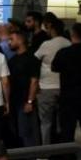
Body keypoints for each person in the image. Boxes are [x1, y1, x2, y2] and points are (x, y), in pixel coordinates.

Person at [52, 23, 81, 160]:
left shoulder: (64, 52)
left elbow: (54, 67)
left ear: (72, 34)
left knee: (67, 129)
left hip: (69, 94)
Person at [6, 29, 40, 160]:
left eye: (11, 39)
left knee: (27, 134)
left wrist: (30, 101)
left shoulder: (31, 59)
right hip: (14, 102)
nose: (9, 42)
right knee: (18, 134)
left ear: (20, 39)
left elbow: (34, 81)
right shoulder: (12, 60)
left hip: (24, 102)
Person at [33, 19, 70, 147]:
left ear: (52, 29)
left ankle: (46, 151)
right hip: (64, 86)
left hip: (46, 87)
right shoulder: (68, 43)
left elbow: (35, 60)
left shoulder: (46, 44)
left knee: (46, 122)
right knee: (62, 122)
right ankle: (61, 148)